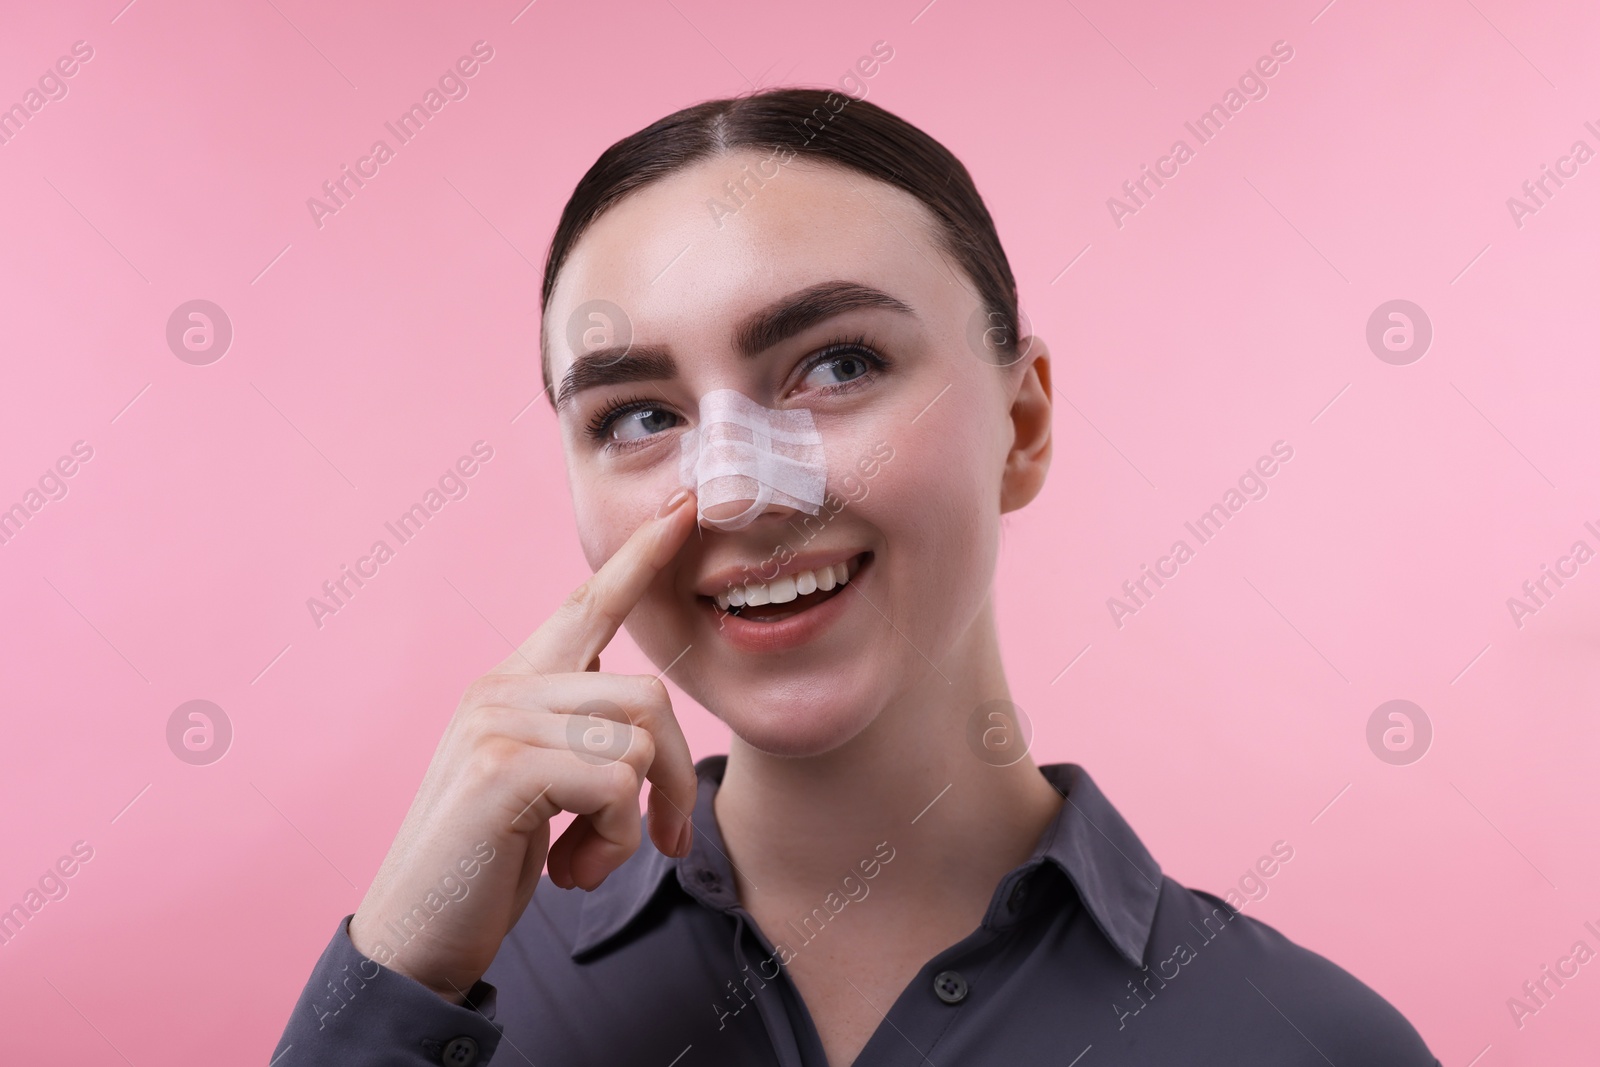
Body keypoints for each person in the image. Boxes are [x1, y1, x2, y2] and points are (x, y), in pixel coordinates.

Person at [273, 87, 1440, 1066]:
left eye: (837, 363)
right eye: (638, 413)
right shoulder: (439, 1002)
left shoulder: (1308, 1041)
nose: (736, 492)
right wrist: (389, 981)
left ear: (1022, 423)